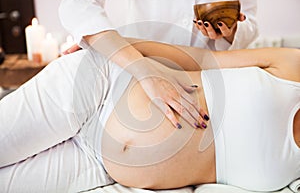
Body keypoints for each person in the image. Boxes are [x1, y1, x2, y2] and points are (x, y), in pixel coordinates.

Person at [0, 38, 299, 192]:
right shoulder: (293, 68)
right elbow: (204, 58)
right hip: (99, 86)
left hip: (97, 167)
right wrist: (112, 44)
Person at [58, 0, 258, 131]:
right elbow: (77, 0)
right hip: (136, 71)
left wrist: (231, 32)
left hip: (204, 82)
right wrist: (110, 45)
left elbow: (250, 21)